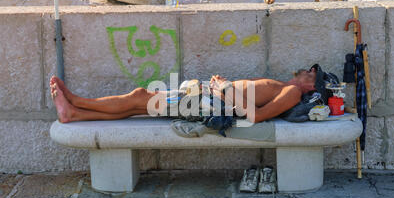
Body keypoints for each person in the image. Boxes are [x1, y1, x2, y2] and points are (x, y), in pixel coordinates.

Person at [49, 67, 317, 124]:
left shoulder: (291, 92)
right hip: (205, 97)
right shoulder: (285, 85)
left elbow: (257, 116)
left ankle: (76, 102)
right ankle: (74, 113)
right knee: (136, 108)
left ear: (312, 87)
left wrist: (223, 88)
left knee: (140, 97)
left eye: (313, 73)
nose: (308, 70)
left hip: (207, 103)